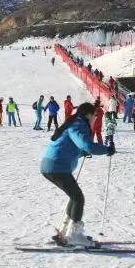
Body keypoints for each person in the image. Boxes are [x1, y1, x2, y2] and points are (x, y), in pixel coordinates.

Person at [41, 102, 114, 247]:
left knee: (74, 197)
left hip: (53, 165)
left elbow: (71, 147)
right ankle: (74, 234)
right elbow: (87, 145)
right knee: (78, 198)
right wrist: (106, 149)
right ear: (88, 114)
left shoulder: (75, 123)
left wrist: (83, 152)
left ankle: (65, 231)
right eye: (95, 115)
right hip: (56, 166)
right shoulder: (79, 125)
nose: (95, 119)